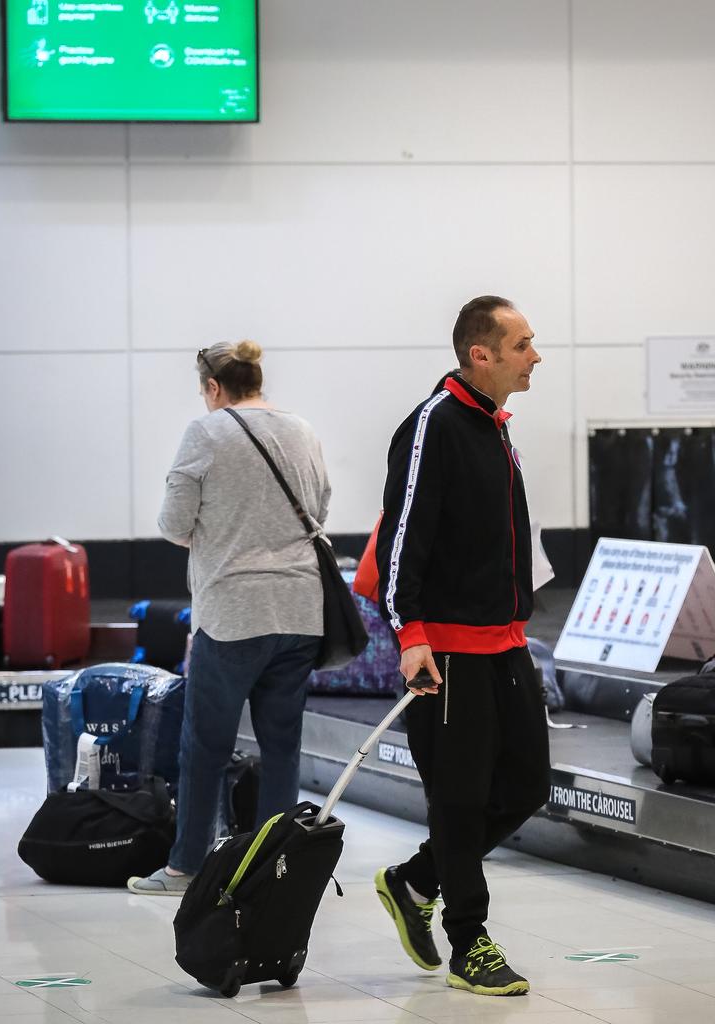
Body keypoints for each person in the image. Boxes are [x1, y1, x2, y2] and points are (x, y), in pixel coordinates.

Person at [373, 296, 550, 996]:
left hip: (504, 645)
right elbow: (399, 542)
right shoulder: (434, 427)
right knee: (459, 800)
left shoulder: (493, 428)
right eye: (524, 344)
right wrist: (410, 636)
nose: (536, 355)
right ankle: (468, 943)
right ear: (482, 354)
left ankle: (415, 881)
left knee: (528, 785)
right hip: (445, 652)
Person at [128, 340, 330, 894]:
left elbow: (174, 523)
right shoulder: (303, 430)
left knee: (205, 746)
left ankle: (186, 866)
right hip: (300, 610)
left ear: (214, 388)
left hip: (232, 615)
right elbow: (322, 506)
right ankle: (272, 870)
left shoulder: (205, 432)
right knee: (282, 746)